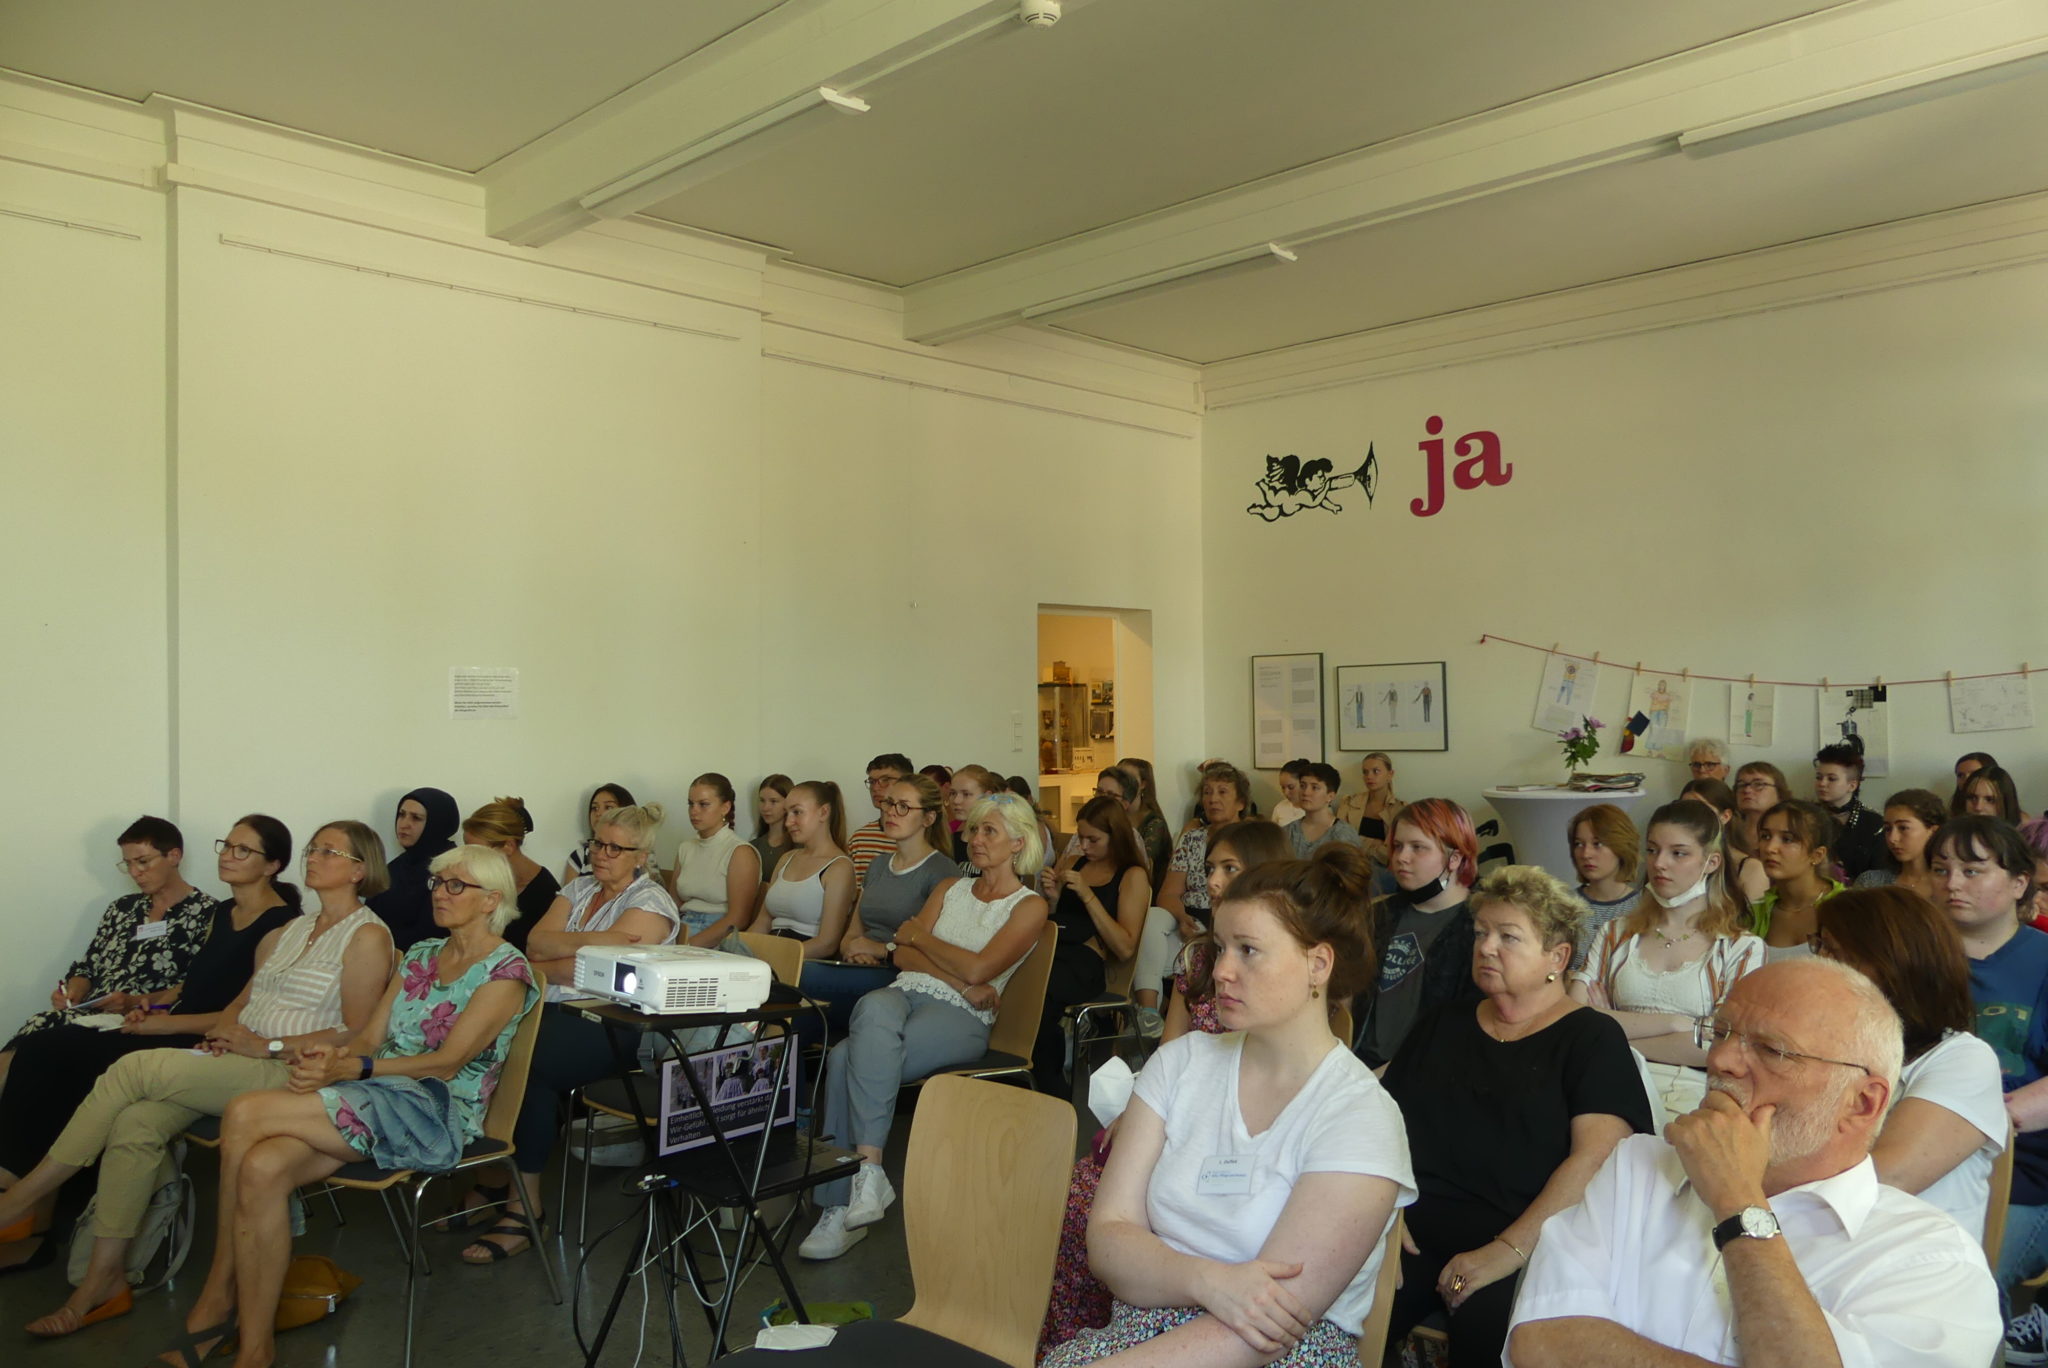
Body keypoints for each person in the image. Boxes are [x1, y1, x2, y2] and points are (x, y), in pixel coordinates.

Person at [1505, 959, 2000, 1368]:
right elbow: (1539, 1344)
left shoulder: (1931, 1260)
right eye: (1721, 1032)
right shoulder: (1638, 1166)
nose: (1722, 1060)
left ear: (1862, 1103)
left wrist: (1738, 1202)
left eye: (1770, 1049)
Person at [166, 844, 539, 1368]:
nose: (440, 893)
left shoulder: (506, 970)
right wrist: (333, 1057)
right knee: (262, 1166)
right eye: (437, 882)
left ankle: (215, 1299)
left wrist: (354, 1070)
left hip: (434, 1110)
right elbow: (368, 1039)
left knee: (245, 1112)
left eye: (456, 885)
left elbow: (447, 1063)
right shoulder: (422, 955)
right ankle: (255, 1347)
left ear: (491, 900)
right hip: (376, 1092)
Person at [1041, 845, 1414, 1368]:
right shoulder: (1180, 1064)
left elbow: (1270, 1327)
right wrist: (1209, 1280)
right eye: (1220, 948)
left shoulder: (1360, 1116)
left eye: (1248, 950)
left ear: (1318, 964)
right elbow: (1106, 1241)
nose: (1221, 971)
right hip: (1143, 1330)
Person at [0, 821, 391, 1301]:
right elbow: (241, 1002)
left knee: (131, 1068)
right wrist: (221, 1034)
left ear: (359, 870)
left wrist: (264, 1046)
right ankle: (104, 1280)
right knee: (136, 1121)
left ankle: (20, 1200)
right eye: (313, 848)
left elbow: (357, 1032)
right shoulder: (295, 929)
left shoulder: (367, 935)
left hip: (288, 1068)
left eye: (328, 852)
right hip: (238, 1054)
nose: (313, 857)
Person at [1382, 865, 1653, 1368]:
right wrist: (1383, 1210)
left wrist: (1506, 1252)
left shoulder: (1591, 1039)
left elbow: (1596, 1158)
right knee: (1346, 1304)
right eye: (1481, 932)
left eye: (1508, 936)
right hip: (1413, 1228)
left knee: (1492, 1332)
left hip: (1530, 1239)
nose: (1486, 947)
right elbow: (1381, 1117)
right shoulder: (1445, 1021)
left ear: (1557, 957)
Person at [0, 817, 300, 1247]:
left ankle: (23, 1195)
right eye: (226, 845)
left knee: (51, 1050)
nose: (227, 856)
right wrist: (148, 1002)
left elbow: (244, 1013)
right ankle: (28, 1196)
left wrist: (161, 1021)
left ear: (272, 865)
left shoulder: (280, 925)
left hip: (199, 1039)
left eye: (242, 850)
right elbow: (190, 985)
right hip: (171, 1022)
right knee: (41, 1048)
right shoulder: (224, 911)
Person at [799, 793, 1050, 1260]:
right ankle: (868, 1175)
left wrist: (923, 940)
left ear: (1019, 842)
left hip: (963, 1017)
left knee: (844, 1056)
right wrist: (954, 973)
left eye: (989, 831)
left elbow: (981, 968)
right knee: (873, 1005)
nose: (976, 840)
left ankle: (839, 1202)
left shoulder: (1029, 905)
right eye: (973, 830)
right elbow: (901, 953)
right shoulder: (950, 887)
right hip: (910, 991)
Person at [468, 802, 680, 1261]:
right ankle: (492, 1177)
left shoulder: (651, 903)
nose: (600, 854)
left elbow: (598, 976)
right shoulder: (579, 887)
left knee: (530, 1063)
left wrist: (563, 957)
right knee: (482, 1043)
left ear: (641, 857)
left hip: (617, 1024)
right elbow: (534, 944)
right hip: (551, 1008)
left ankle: (524, 1207)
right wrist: (597, 944)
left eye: (614, 848)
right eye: (597, 843)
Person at [1814, 886, 2005, 1241]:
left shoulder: (1964, 1059)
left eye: (1837, 954)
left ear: (1895, 966)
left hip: (1909, 1256)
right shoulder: (1832, 1046)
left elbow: (1887, 1179)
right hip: (1820, 1236)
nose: (1820, 966)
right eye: (1820, 947)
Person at [1927, 815, 2048, 1354]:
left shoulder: (2042, 961)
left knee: (1959, 1275)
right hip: (1919, 1154)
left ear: (2020, 883)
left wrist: (1991, 1116)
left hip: (2020, 1172)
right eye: (1941, 869)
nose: (1952, 883)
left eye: (1972, 871)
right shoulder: (1914, 960)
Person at [1571, 800, 1765, 1123]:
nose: (1659, 863)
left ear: (1711, 862)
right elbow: (1576, 1020)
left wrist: (1610, 1029)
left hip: (1693, 1097)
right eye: (1652, 850)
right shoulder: (1615, 933)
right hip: (1606, 1083)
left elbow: (1722, 1047)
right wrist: (1677, 1024)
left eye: (1678, 853)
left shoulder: (1740, 948)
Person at [2, 816, 219, 1088]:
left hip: (140, 1021)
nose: (135, 872)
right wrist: (74, 991)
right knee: (40, 1028)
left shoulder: (209, 915)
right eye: (128, 864)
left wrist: (133, 1001)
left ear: (174, 856)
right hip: (87, 1015)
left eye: (143, 862)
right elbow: (87, 967)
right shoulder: (122, 909)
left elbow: (193, 989)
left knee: (39, 1046)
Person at [807, 774, 958, 1036]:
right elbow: (852, 934)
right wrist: (853, 949)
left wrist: (878, 950)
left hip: (901, 974)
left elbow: (933, 949)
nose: (891, 812)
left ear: (928, 818)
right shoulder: (878, 865)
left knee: (800, 977)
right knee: (798, 1004)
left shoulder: (941, 871)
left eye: (904, 806)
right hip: (859, 965)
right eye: (888, 803)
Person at [1037, 796, 1150, 1092]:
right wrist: (1053, 899)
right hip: (1057, 949)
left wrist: (1087, 895)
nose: (1084, 846)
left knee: (1042, 994)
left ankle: (1050, 1083)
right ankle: (1031, 1071)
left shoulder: (1132, 876)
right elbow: (1058, 920)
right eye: (1080, 838)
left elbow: (1125, 947)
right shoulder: (1074, 863)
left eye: (1093, 840)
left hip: (1089, 963)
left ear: (1116, 837)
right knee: (1020, 982)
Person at [1357, 799, 1482, 1068]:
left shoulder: (1479, 929)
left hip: (1426, 1070)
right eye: (1398, 846)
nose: (1401, 857)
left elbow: (1465, 1028)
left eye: (1418, 847)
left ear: (1454, 858)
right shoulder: (1379, 914)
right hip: (1362, 1061)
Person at [1137, 765, 1253, 1031]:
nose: (1213, 799)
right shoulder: (1192, 838)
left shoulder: (1248, 841)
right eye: (1207, 792)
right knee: (1153, 917)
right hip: (1187, 919)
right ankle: (1148, 1016)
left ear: (1241, 802)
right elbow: (1168, 893)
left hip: (1224, 922)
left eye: (1222, 792)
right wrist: (1182, 918)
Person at [753, 780, 854, 960]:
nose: (788, 822)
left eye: (797, 812)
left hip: (804, 960)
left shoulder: (839, 867)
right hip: (771, 953)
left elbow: (827, 944)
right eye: (787, 813)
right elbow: (762, 923)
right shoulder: (786, 858)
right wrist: (739, 946)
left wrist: (775, 957)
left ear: (824, 812)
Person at [664, 773, 762, 947]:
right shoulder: (685, 848)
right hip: (683, 925)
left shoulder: (740, 852)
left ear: (725, 807)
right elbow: (673, 906)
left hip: (716, 932)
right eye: (691, 804)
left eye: (703, 804)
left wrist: (688, 945)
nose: (694, 811)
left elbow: (738, 918)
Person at [1748, 800, 1845, 962]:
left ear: (1817, 855)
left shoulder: (1847, 909)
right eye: (1765, 836)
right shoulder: (1753, 914)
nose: (1770, 848)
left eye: (1787, 839)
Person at [461, 797, 560, 951]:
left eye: (478, 851)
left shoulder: (545, 894)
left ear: (508, 846)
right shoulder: (474, 879)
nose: (468, 858)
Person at [369, 786, 459, 950]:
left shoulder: (452, 869)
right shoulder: (395, 867)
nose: (404, 824)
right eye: (401, 815)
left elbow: (433, 933)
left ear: (437, 823)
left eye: (416, 818)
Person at [1566, 803, 1641, 970]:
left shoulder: (1643, 907)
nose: (1586, 854)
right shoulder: (1564, 905)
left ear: (1621, 846)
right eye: (1579, 844)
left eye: (1597, 844)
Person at [1682, 776, 1769, 903]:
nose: (1688, 817)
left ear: (1725, 816)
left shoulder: (1750, 868)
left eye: (1701, 809)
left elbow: (1754, 915)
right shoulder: (1673, 859)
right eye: (1683, 809)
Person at [1854, 787, 1947, 902]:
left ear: (1933, 831)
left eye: (1903, 828)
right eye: (1888, 829)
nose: (1892, 838)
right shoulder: (1871, 883)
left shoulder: (1949, 885)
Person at [1813, 736, 1884, 881]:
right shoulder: (1806, 816)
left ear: (1852, 785)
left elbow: (1879, 873)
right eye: (1819, 777)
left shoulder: (1873, 823)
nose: (1822, 783)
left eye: (1831, 779)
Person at [844, 752, 914, 886]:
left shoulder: (918, 836)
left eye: (885, 780)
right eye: (872, 781)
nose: (875, 788)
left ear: (907, 783)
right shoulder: (860, 839)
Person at [1333, 752, 1404, 865]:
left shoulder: (1401, 810)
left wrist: (1358, 841)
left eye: (1376, 771)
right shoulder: (1349, 803)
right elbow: (1340, 841)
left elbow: (1392, 852)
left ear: (1390, 774)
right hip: (1351, 865)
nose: (1369, 776)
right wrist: (1375, 844)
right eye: (1365, 772)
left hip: (1384, 869)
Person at [1117, 756, 1174, 891]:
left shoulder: (1155, 823)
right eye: (1119, 777)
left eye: (1129, 778)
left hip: (1144, 889)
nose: (1122, 784)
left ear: (1143, 784)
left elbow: (1142, 864)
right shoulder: (1114, 814)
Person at [560, 781, 634, 885]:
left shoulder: (637, 853)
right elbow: (567, 894)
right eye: (594, 808)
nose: (598, 813)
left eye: (608, 807)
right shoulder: (580, 857)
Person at [1285, 761, 1363, 860]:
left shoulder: (1343, 835)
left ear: (1330, 796)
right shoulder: (1288, 831)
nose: (1306, 792)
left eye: (1315, 787)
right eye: (1302, 786)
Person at [1731, 761, 1792, 861]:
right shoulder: (1727, 831)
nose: (1747, 790)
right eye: (1741, 785)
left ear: (1779, 792)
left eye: (1758, 784)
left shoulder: (1792, 831)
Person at [946, 765, 1000, 864]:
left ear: (987, 796)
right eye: (953, 793)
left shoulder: (999, 842)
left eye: (966, 794)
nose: (956, 801)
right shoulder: (949, 842)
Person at [749, 774, 793, 884]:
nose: (765, 808)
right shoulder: (753, 847)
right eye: (762, 800)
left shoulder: (800, 847)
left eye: (773, 801)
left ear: (788, 802)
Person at [1958, 764, 2026, 824]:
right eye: (1973, 798)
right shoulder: (1954, 832)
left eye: (1989, 800)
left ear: (2006, 802)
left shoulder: (2023, 831)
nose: (1978, 807)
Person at [1271, 758, 1311, 826]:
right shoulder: (1279, 808)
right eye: (1283, 787)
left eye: (1291, 787)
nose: (1286, 793)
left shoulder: (1315, 810)